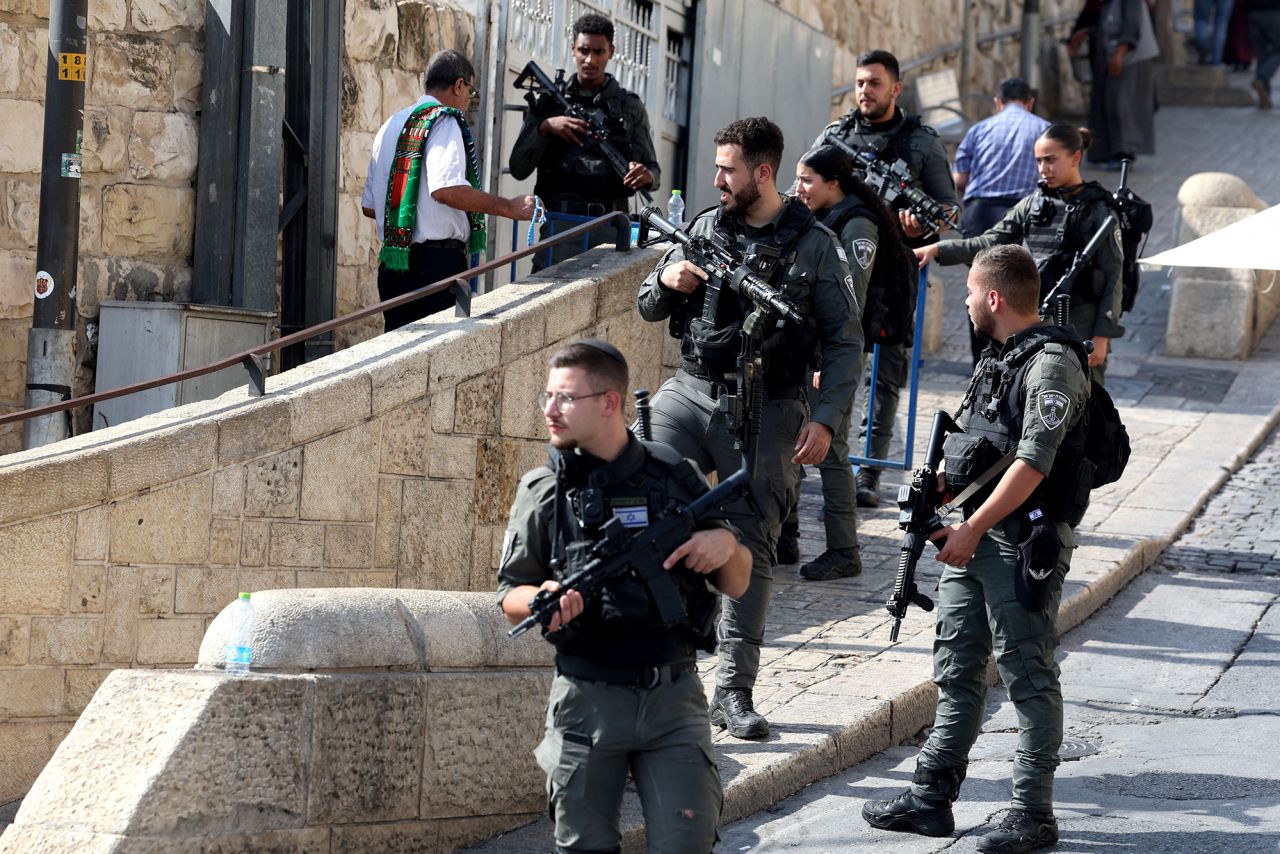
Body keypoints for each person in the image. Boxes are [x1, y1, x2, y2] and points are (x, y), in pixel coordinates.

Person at [637, 117, 863, 739]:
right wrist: (664, 278)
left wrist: (824, 420)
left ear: (762, 172)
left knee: (752, 539)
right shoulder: (709, 226)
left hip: (769, 407)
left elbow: (847, 343)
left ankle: (733, 693)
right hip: (692, 390)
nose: (717, 179)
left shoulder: (817, 244)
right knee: (636, 494)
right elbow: (647, 303)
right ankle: (648, 667)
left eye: (728, 169)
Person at [862, 244, 1091, 854]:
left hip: (1022, 541)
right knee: (957, 665)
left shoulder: (1051, 364)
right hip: (977, 533)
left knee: (1027, 672)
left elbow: (1032, 463)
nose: (964, 304)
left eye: (969, 293)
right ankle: (931, 798)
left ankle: (1031, 813)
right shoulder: (1001, 357)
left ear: (994, 297)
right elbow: (987, 444)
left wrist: (970, 528)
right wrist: (941, 494)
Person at [497, 339, 751, 854]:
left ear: (611, 402)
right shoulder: (544, 490)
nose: (550, 409)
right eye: (548, 396)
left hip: (673, 697)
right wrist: (542, 597)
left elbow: (738, 581)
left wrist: (726, 544)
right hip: (586, 698)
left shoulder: (673, 473)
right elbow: (509, 595)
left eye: (566, 398)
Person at [810, 49, 960, 511]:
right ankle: (827, 459)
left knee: (885, 374)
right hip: (839, 267)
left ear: (895, 89)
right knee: (830, 364)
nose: (864, 91)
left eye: (874, 83)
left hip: (892, 274)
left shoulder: (920, 142)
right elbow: (808, 187)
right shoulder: (837, 137)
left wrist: (920, 225)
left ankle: (869, 470)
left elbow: (947, 208)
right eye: (859, 83)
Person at [784, 145, 912, 581]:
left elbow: (849, 302)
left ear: (833, 184)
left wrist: (825, 358)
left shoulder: (857, 225)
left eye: (806, 180)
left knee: (831, 446)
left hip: (835, 351)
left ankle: (843, 549)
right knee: (793, 437)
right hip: (812, 346)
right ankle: (786, 536)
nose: (797, 188)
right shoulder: (822, 216)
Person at [915, 124, 1124, 385]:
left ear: (1076, 158)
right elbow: (990, 242)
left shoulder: (1100, 211)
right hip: (1036, 319)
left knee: (1083, 403)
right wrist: (938, 248)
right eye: (1038, 161)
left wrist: (1102, 337)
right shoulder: (1033, 203)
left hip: (1081, 323)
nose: (1043, 168)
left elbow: (1114, 278)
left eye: (1050, 160)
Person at [362, 49, 535, 331]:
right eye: (470, 89)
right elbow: (446, 189)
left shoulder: (390, 125)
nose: (469, 98)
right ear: (459, 84)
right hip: (436, 266)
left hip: (393, 266)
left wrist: (410, 215)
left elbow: (370, 206)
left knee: (398, 365)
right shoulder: (445, 120)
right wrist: (509, 207)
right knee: (440, 363)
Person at [509, 13, 660, 271]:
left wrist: (644, 175)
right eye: (584, 50)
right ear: (573, 50)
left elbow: (653, 173)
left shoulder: (628, 106)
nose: (590, 60)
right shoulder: (550, 102)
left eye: (598, 52)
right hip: (561, 228)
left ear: (611, 52)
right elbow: (518, 168)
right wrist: (546, 127)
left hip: (612, 230)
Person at [952, 77, 1051, 365]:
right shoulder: (1043, 129)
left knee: (979, 291)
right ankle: (1019, 360)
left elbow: (960, 179)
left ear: (998, 103)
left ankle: (982, 363)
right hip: (1021, 216)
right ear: (1030, 102)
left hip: (980, 213)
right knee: (1020, 292)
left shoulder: (979, 129)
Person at [1068, 0, 1158, 170]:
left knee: (1121, 107)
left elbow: (1131, 28)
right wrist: (1087, 32)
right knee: (1106, 105)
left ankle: (1124, 155)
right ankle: (1105, 153)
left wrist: (1119, 54)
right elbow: (1110, 23)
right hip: (1113, 56)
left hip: (1130, 60)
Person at [1247, 0, 1280, 109]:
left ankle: (1264, 98)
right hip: (1272, 12)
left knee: (1262, 56)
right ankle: (1262, 78)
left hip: (1253, 13)